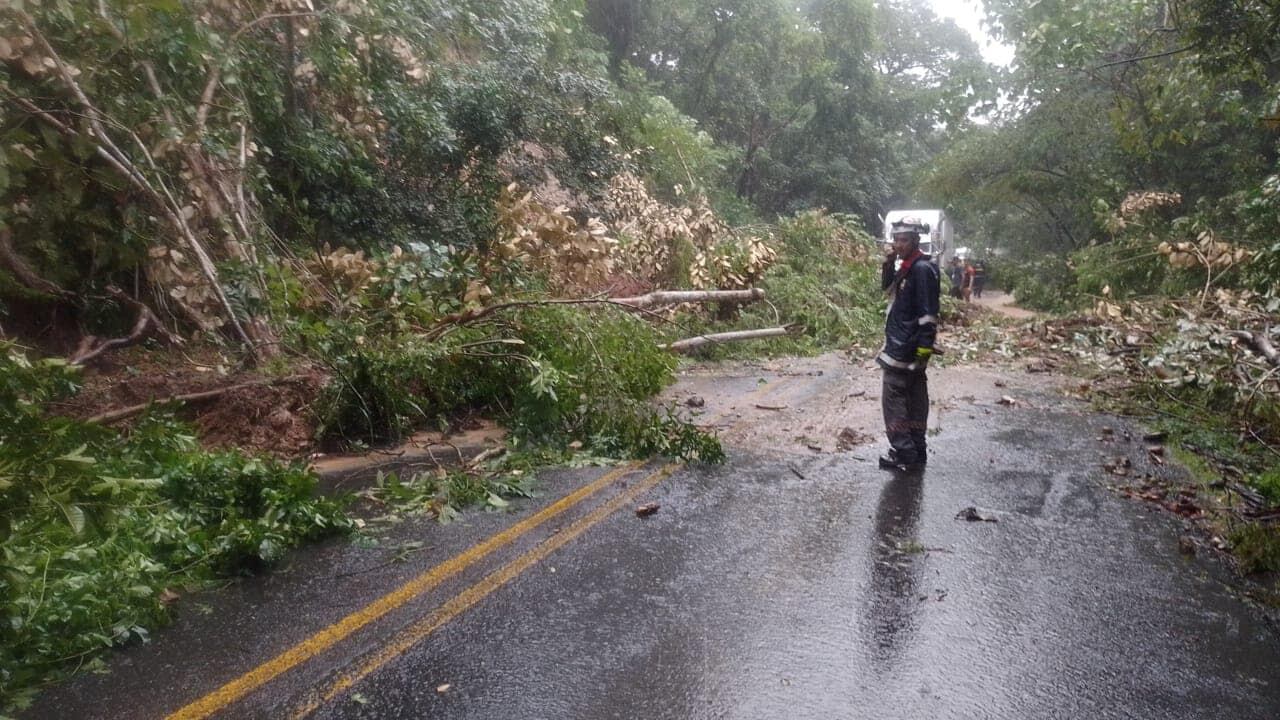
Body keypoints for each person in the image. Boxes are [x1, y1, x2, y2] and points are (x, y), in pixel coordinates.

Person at [877, 217, 940, 472]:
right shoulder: (909, 266)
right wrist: (889, 263)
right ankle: (915, 450)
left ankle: (904, 452)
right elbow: (887, 288)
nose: (898, 244)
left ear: (915, 241)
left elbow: (928, 315)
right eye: (896, 239)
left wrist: (923, 351)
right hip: (903, 345)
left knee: (895, 401)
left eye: (903, 240)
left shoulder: (921, 270)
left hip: (906, 347)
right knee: (914, 399)